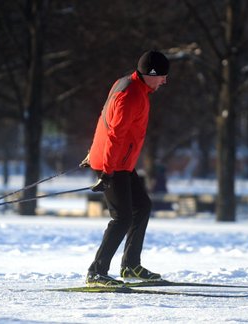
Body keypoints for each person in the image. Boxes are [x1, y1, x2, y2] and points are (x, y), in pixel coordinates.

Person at [80, 50, 169, 287]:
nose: (164, 81)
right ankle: (96, 272)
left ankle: (130, 265)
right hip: (114, 163)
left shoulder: (128, 85)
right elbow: (114, 134)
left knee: (142, 206)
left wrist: (92, 151)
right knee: (122, 218)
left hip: (120, 162)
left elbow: (104, 119)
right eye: (162, 76)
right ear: (151, 74)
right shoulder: (131, 95)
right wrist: (106, 170)